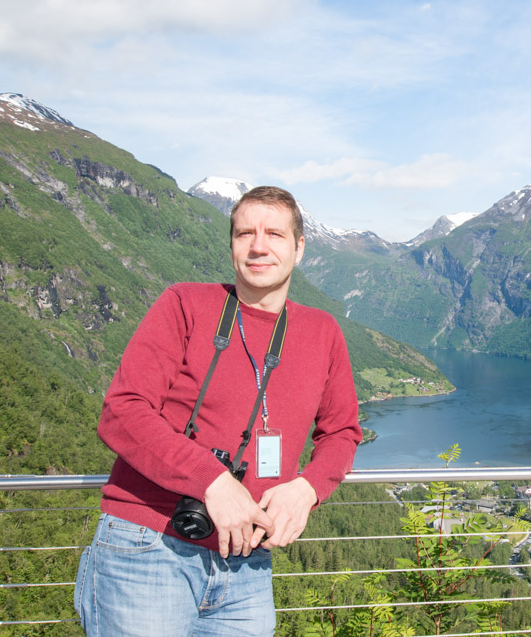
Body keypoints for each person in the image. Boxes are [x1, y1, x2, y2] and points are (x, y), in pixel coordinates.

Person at [74, 186, 362, 635]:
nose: (258, 246)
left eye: (274, 234)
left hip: (248, 564)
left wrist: (307, 488)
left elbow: (342, 431)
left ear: (299, 247)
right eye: (245, 233)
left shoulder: (321, 331)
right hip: (150, 547)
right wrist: (211, 480)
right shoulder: (185, 304)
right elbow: (123, 411)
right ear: (231, 244)